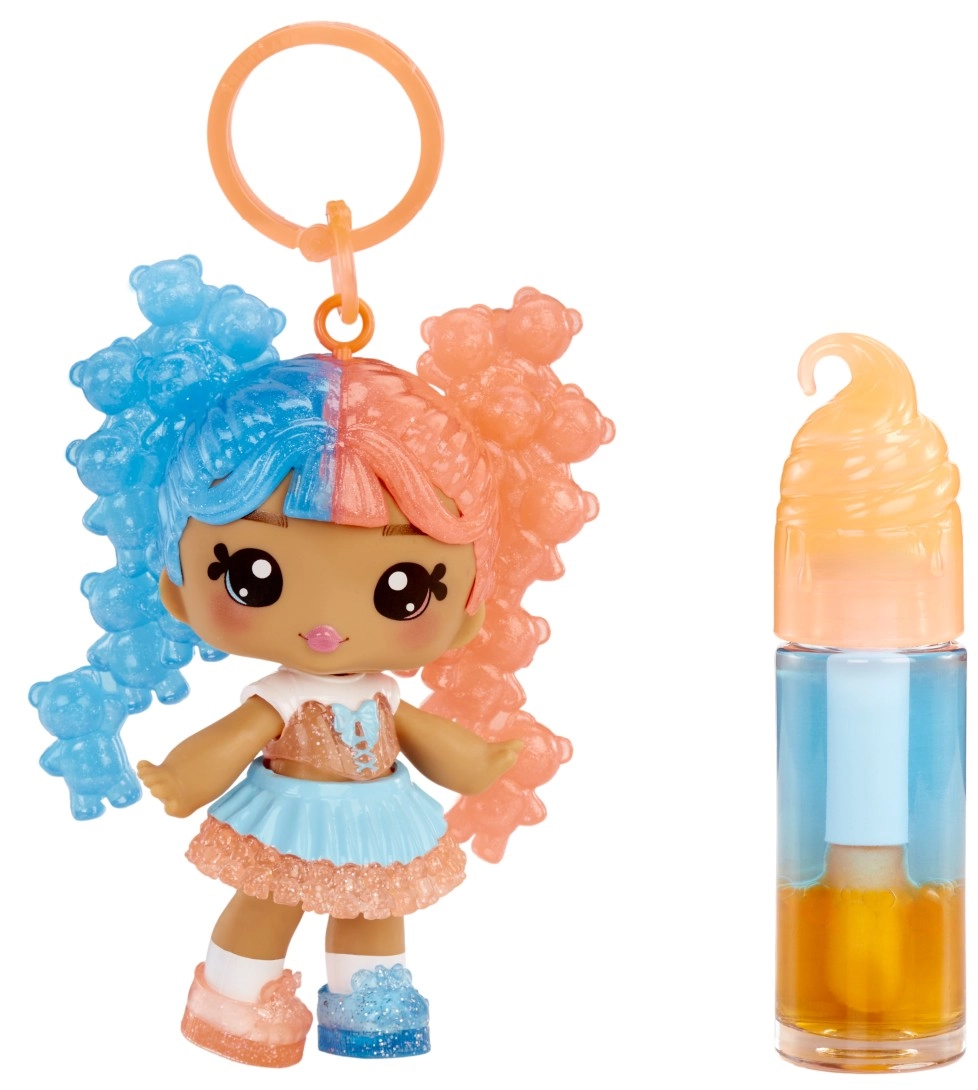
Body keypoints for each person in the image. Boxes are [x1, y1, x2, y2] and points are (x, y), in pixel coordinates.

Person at [32, 255, 613, 1065]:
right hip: (289, 812)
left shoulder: (381, 698)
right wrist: (183, 777)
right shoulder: (283, 696)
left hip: (378, 814)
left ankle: (370, 1005)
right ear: (174, 586)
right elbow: (233, 739)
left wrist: (481, 762)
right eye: (253, 575)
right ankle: (236, 1000)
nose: (329, 629)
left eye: (403, 589)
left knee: (375, 910)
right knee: (268, 903)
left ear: (470, 608)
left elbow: (426, 739)